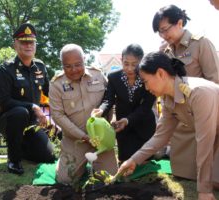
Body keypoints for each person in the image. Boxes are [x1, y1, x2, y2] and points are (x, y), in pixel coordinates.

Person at [117, 51, 219, 200]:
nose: (146, 88)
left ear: (160, 73)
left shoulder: (198, 93)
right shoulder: (167, 99)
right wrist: (133, 160)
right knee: (214, 180)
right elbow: (161, 136)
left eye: (145, 81)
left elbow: (205, 142)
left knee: (209, 182)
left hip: (211, 138)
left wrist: (204, 190)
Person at [152, 4, 219, 180]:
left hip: (201, 115)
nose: (164, 36)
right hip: (180, 120)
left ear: (180, 23)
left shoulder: (201, 44)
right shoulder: (165, 52)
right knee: (182, 174)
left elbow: (215, 80)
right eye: (160, 32)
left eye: (165, 30)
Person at [49, 44, 118, 184]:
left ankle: (95, 164)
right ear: (62, 65)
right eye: (68, 66)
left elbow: (110, 101)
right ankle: (68, 162)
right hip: (75, 140)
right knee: (65, 180)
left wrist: (112, 122)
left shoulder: (98, 75)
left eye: (78, 64)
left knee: (108, 178)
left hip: (101, 139)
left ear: (84, 59)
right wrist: (83, 136)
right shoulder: (56, 84)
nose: (74, 70)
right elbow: (58, 115)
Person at [0, 23, 55, 175]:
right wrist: (33, 107)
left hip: (32, 123)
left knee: (48, 156)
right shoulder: (6, 69)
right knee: (21, 112)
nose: (28, 45)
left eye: (31, 42)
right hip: (10, 121)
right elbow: (5, 101)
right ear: (15, 44)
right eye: (23, 42)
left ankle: (21, 148)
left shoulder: (40, 67)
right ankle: (13, 160)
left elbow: (51, 93)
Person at [92, 44, 156, 162]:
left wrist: (127, 120)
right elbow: (108, 100)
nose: (130, 69)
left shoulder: (148, 77)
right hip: (123, 130)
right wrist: (101, 110)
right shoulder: (113, 77)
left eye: (134, 64)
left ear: (141, 61)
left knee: (145, 163)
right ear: (121, 60)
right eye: (126, 63)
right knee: (125, 160)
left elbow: (146, 106)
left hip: (144, 126)